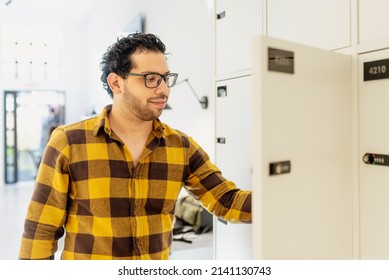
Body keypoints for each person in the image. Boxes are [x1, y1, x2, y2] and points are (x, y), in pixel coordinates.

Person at [18, 33, 251, 260]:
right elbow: (40, 231)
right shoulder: (69, 142)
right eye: (150, 78)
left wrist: (281, 200)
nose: (164, 89)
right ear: (116, 83)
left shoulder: (182, 147)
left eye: (166, 78)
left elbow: (226, 201)